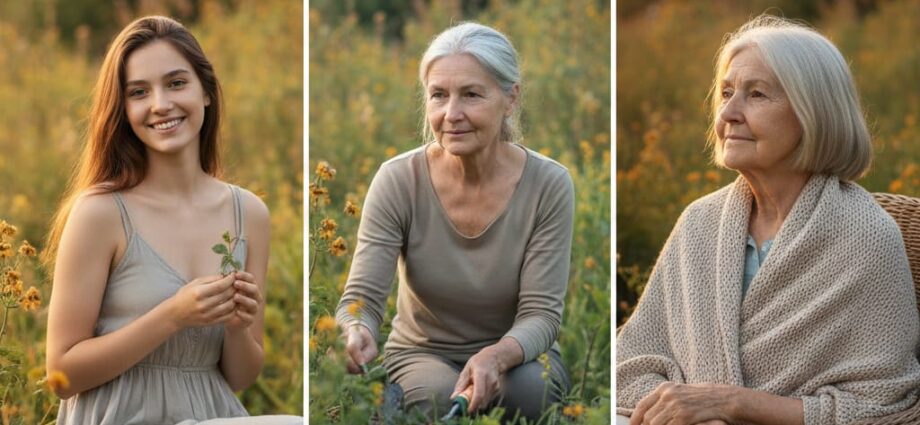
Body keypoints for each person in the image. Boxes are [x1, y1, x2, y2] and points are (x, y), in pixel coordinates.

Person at [616, 15, 920, 425]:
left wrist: (733, 403)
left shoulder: (867, 236)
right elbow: (631, 362)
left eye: (756, 94)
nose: (728, 113)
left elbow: (880, 404)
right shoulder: (699, 224)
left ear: (814, 112)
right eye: (725, 93)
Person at [44, 16, 300, 425]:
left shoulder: (248, 213)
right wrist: (173, 315)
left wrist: (237, 328)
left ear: (207, 93)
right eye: (139, 92)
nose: (161, 104)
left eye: (177, 83)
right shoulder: (100, 213)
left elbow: (240, 376)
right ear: (124, 110)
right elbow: (61, 375)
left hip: (212, 415)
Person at [334, 22, 574, 421]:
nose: (451, 114)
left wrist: (496, 357)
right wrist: (354, 331)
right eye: (438, 96)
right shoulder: (398, 179)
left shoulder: (548, 184)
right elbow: (360, 299)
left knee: (532, 393)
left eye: (471, 95)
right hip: (421, 353)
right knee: (435, 399)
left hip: (517, 353)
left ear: (510, 98)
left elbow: (541, 315)